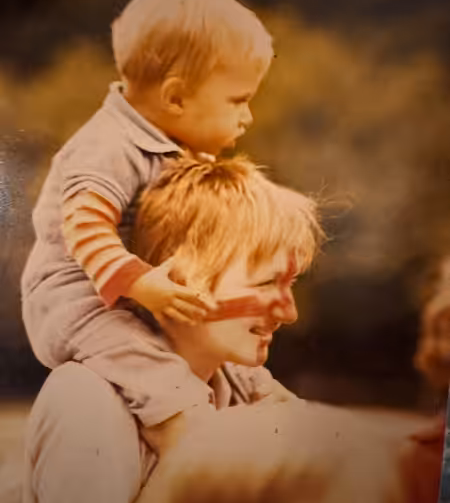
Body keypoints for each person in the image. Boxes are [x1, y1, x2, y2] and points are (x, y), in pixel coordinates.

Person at [23, 156, 429, 503]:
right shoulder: (88, 401)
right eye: (265, 283)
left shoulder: (244, 395)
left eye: (290, 285)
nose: (289, 313)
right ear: (179, 280)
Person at [20, 0, 274, 433]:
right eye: (239, 101)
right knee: (144, 358)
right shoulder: (107, 146)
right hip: (78, 301)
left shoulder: (174, 147)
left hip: (134, 296)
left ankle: (267, 401)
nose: (248, 117)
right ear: (175, 97)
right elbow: (85, 225)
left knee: (216, 341)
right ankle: (183, 436)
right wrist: (138, 282)